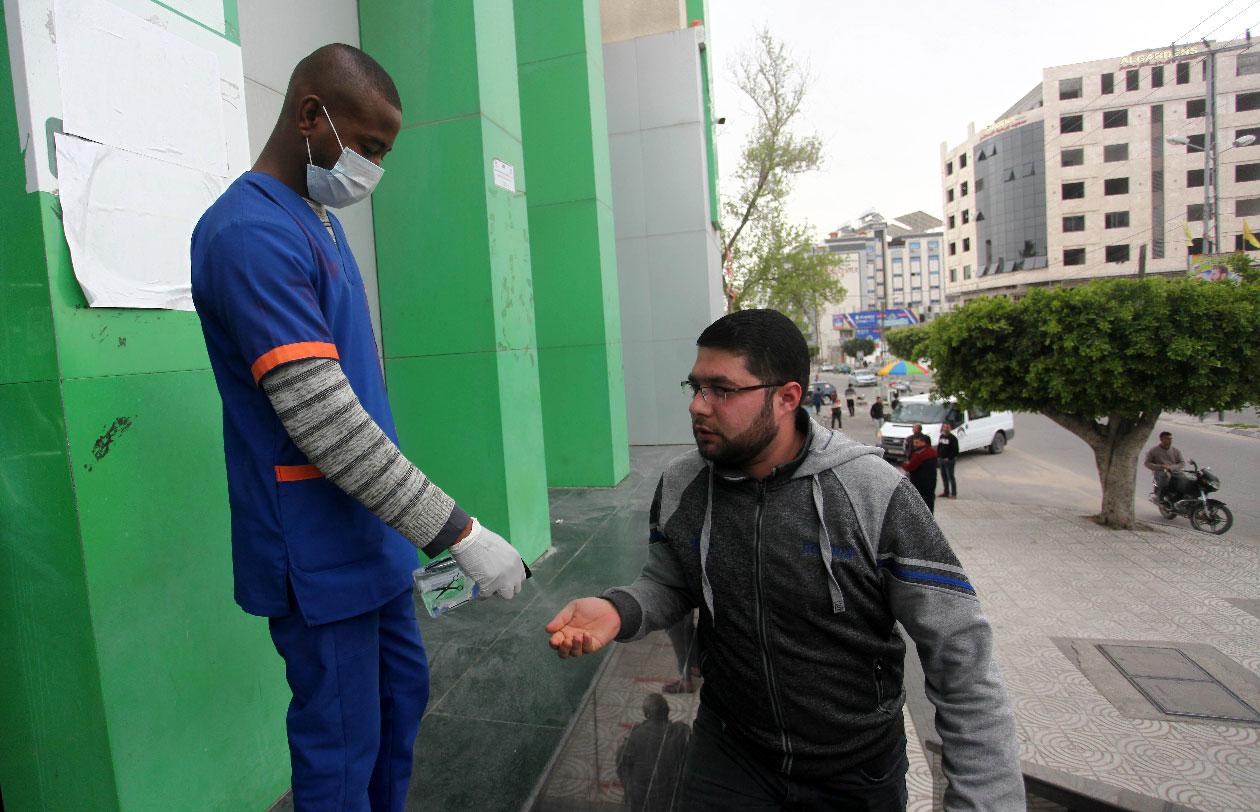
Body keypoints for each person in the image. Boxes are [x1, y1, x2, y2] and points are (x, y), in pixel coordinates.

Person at [190, 45, 527, 810]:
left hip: (366, 541)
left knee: (395, 712)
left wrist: (420, 536)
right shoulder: (248, 233)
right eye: (368, 147)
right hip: (315, 552)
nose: (372, 169)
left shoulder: (315, 223)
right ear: (310, 115)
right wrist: (460, 534)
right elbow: (327, 422)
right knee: (340, 749)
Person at [545, 309, 1023, 811]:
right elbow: (670, 581)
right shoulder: (683, 484)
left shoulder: (874, 492)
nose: (697, 407)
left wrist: (985, 802)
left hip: (856, 771)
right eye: (695, 386)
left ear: (787, 398)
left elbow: (960, 654)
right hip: (729, 753)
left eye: (721, 390)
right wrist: (620, 609)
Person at [616, 694, 691, 812]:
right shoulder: (681, 731)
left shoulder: (636, 735)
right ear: (667, 711)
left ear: (646, 715)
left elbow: (622, 762)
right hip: (671, 800)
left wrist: (629, 786)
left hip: (642, 802)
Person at [901, 434, 939, 514]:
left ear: (923, 442)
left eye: (917, 443)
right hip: (932, 481)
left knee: (919, 503)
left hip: (920, 482)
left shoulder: (919, 454)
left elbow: (910, 467)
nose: (915, 445)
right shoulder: (933, 452)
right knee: (930, 501)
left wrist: (903, 464)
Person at [1144, 431, 1185, 503]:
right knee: (1166, 477)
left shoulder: (1176, 451)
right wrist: (1161, 467)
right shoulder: (1153, 451)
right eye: (1167, 439)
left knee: (1186, 480)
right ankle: (1159, 497)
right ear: (1161, 439)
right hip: (1161, 472)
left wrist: (1172, 467)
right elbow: (1147, 463)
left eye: (1171, 439)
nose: (1170, 440)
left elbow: (1182, 463)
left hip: (1174, 471)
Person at [938, 422, 960, 499]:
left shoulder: (953, 438)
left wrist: (949, 458)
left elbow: (955, 450)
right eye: (944, 427)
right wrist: (938, 456)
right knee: (944, 476)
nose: (946, 428)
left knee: (950, 477)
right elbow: (939, 447)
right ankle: (946, 492)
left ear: (950, 428)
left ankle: (953, 494)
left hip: (949, 461)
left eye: (947, 427)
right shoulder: (941, 437)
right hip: (941, 460)